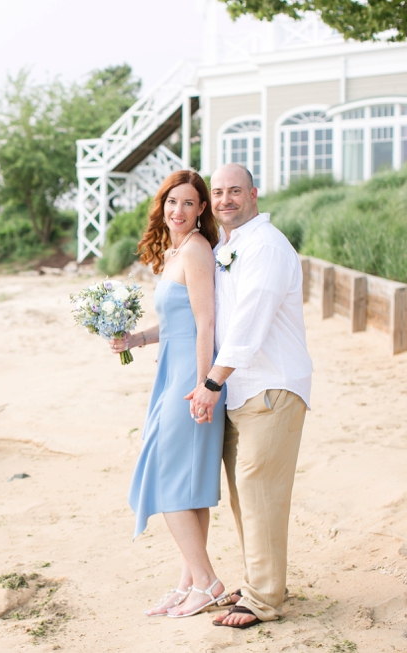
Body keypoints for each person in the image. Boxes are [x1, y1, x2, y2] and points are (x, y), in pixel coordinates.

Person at [186, 163, 313, 629]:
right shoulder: (229, 246)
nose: (225, 200)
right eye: (217, 192)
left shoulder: (266, 246)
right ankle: (264, 581)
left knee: (260, 491)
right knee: (248, 496)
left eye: (234, 191)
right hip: (242, 388)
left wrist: (211, 382)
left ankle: (263, 599)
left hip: (271, 385)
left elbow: (250, 323)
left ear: (254, 194)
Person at [110, 170, 227, 618]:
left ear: (201, 210)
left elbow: (205, 325)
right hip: (172, 372)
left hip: (189, 379)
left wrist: (202, 386)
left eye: (189, 203)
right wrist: (136, 340)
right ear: (163, 206)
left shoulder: (196, 251)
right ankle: (188, 583)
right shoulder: (175, 251)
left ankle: (210, 582)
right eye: (171, 202)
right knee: (189, 484)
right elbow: (176, 323)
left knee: (167, 478)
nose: (178, 211)